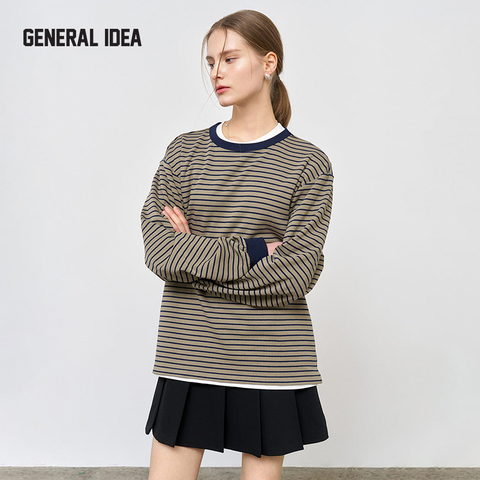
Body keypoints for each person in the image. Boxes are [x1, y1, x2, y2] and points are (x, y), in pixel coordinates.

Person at [141, 9, 333, 480]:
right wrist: (255, 251)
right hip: (190, 351)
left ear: (269, 63)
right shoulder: (184, 151)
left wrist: (195, 259)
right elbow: (161, 252)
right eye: (210, 62)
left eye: (229, 59)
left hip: (271, 356)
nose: (216, 73)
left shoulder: (309, 163)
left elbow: (294, 275)